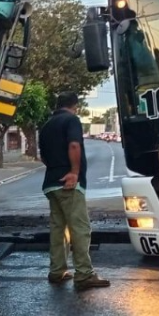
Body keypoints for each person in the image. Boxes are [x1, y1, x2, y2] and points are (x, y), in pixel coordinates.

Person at [39, 92, 110, 292]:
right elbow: (74, 144)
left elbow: (43, 157)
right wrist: (74, 172)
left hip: (51, 183)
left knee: (58, 229)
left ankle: (57, 271)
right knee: (80, 228)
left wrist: (56, 169)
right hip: (68, 184)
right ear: (75, 106)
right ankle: (84, 274)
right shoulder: (72, 120)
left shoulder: (46, 125)